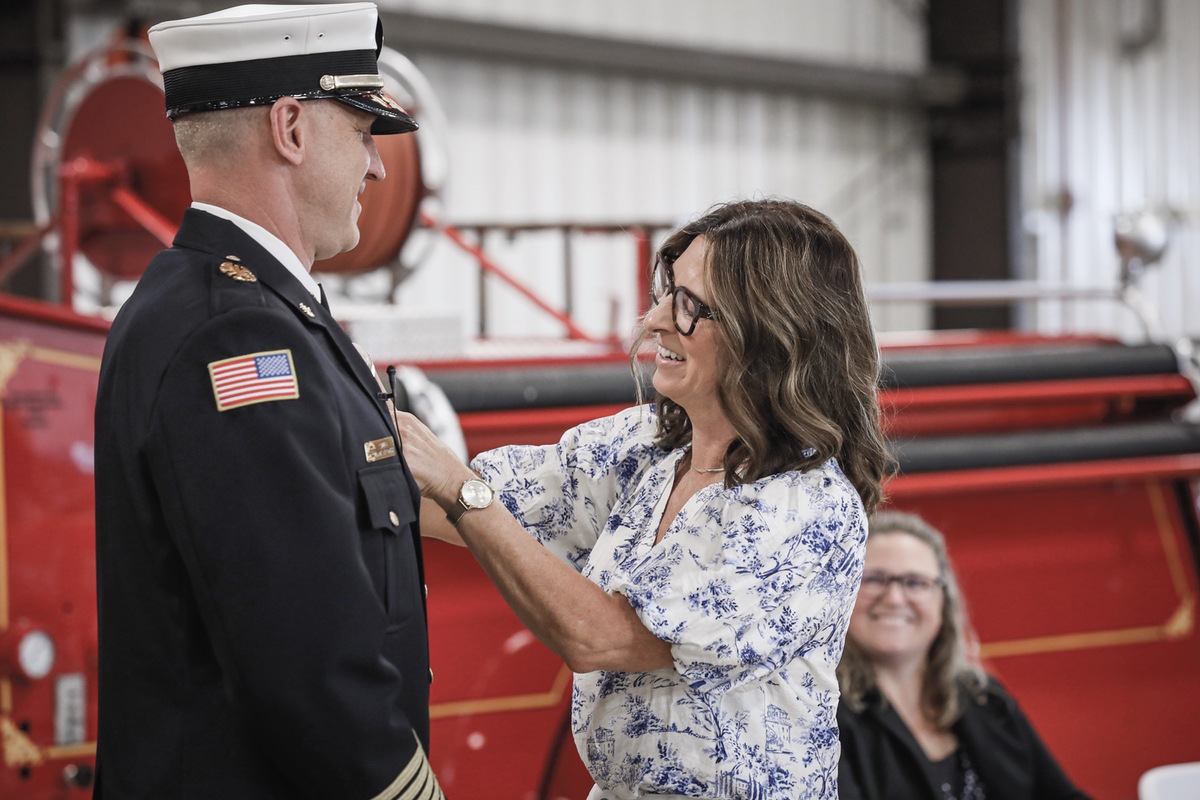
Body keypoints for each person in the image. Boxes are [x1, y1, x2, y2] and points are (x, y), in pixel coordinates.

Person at [397, 199, 891, 799]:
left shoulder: (805, 508)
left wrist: (459, 488)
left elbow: (599, 636)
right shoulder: (646, 447)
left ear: (769, 331)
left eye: (689, 306)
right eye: (664, 294)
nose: (653, 321)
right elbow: (457, 508)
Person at [94, 4, 444, 799]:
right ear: (290, 128)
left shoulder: (213, 305)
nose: (378, 168)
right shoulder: (241, 336)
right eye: (361, 133)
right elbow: (307, 658)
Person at [836, 511, 1091, 800]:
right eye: (874, 579)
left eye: (915, 583)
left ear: (944, 602)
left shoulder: (984, 697)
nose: (894, 598)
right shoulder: (823, 717)